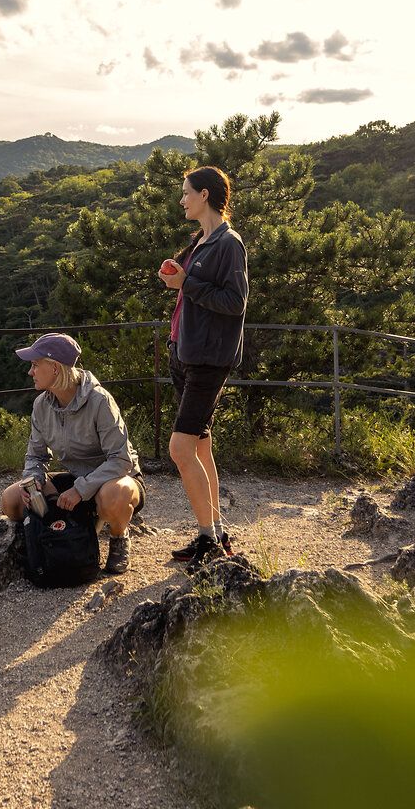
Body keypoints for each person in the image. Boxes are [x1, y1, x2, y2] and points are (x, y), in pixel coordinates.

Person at [158, 165, 248, 566]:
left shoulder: (229, 243)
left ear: (205, 195)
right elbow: (195, 292)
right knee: (200, 446)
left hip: (209, 360)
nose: (182, 200)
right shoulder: (202, 240)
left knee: (180, 449)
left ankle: (210, 539)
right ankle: (215, 534)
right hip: (185, 352)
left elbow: (235, 302)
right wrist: (178, 276)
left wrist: (186, 284)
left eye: (186, 192)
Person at [0, 332, 145, 575]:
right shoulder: (41, 405)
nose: (30, 372)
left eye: (35, 365)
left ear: (55, 368)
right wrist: (32, 480)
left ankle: (119, 537)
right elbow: (36, 456)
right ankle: (73, 530)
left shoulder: (100, 401)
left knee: (112, 496)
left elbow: (121, 460)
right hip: (76, 479)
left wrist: (81, 490)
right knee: (11, 500)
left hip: (114, 479)